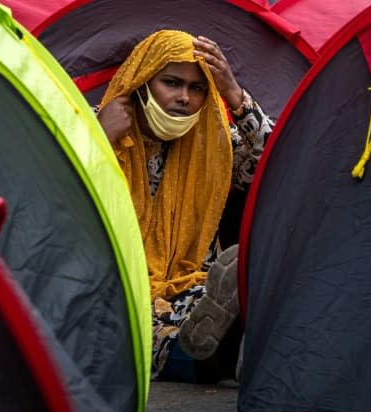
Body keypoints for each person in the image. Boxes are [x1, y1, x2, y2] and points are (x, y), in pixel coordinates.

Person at [95, 30, 274, 383]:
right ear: (143, 80)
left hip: (191, 283)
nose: (184, 98)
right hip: (116, 280)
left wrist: (234, 95)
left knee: (203, 305)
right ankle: (217, 356)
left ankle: (223, 345)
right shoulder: (90, 124)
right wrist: (99, 138)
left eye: (197, 88)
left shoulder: (214, 142)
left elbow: (276, 166)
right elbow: (52, 201)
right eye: (172, 83)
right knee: (131, 325)